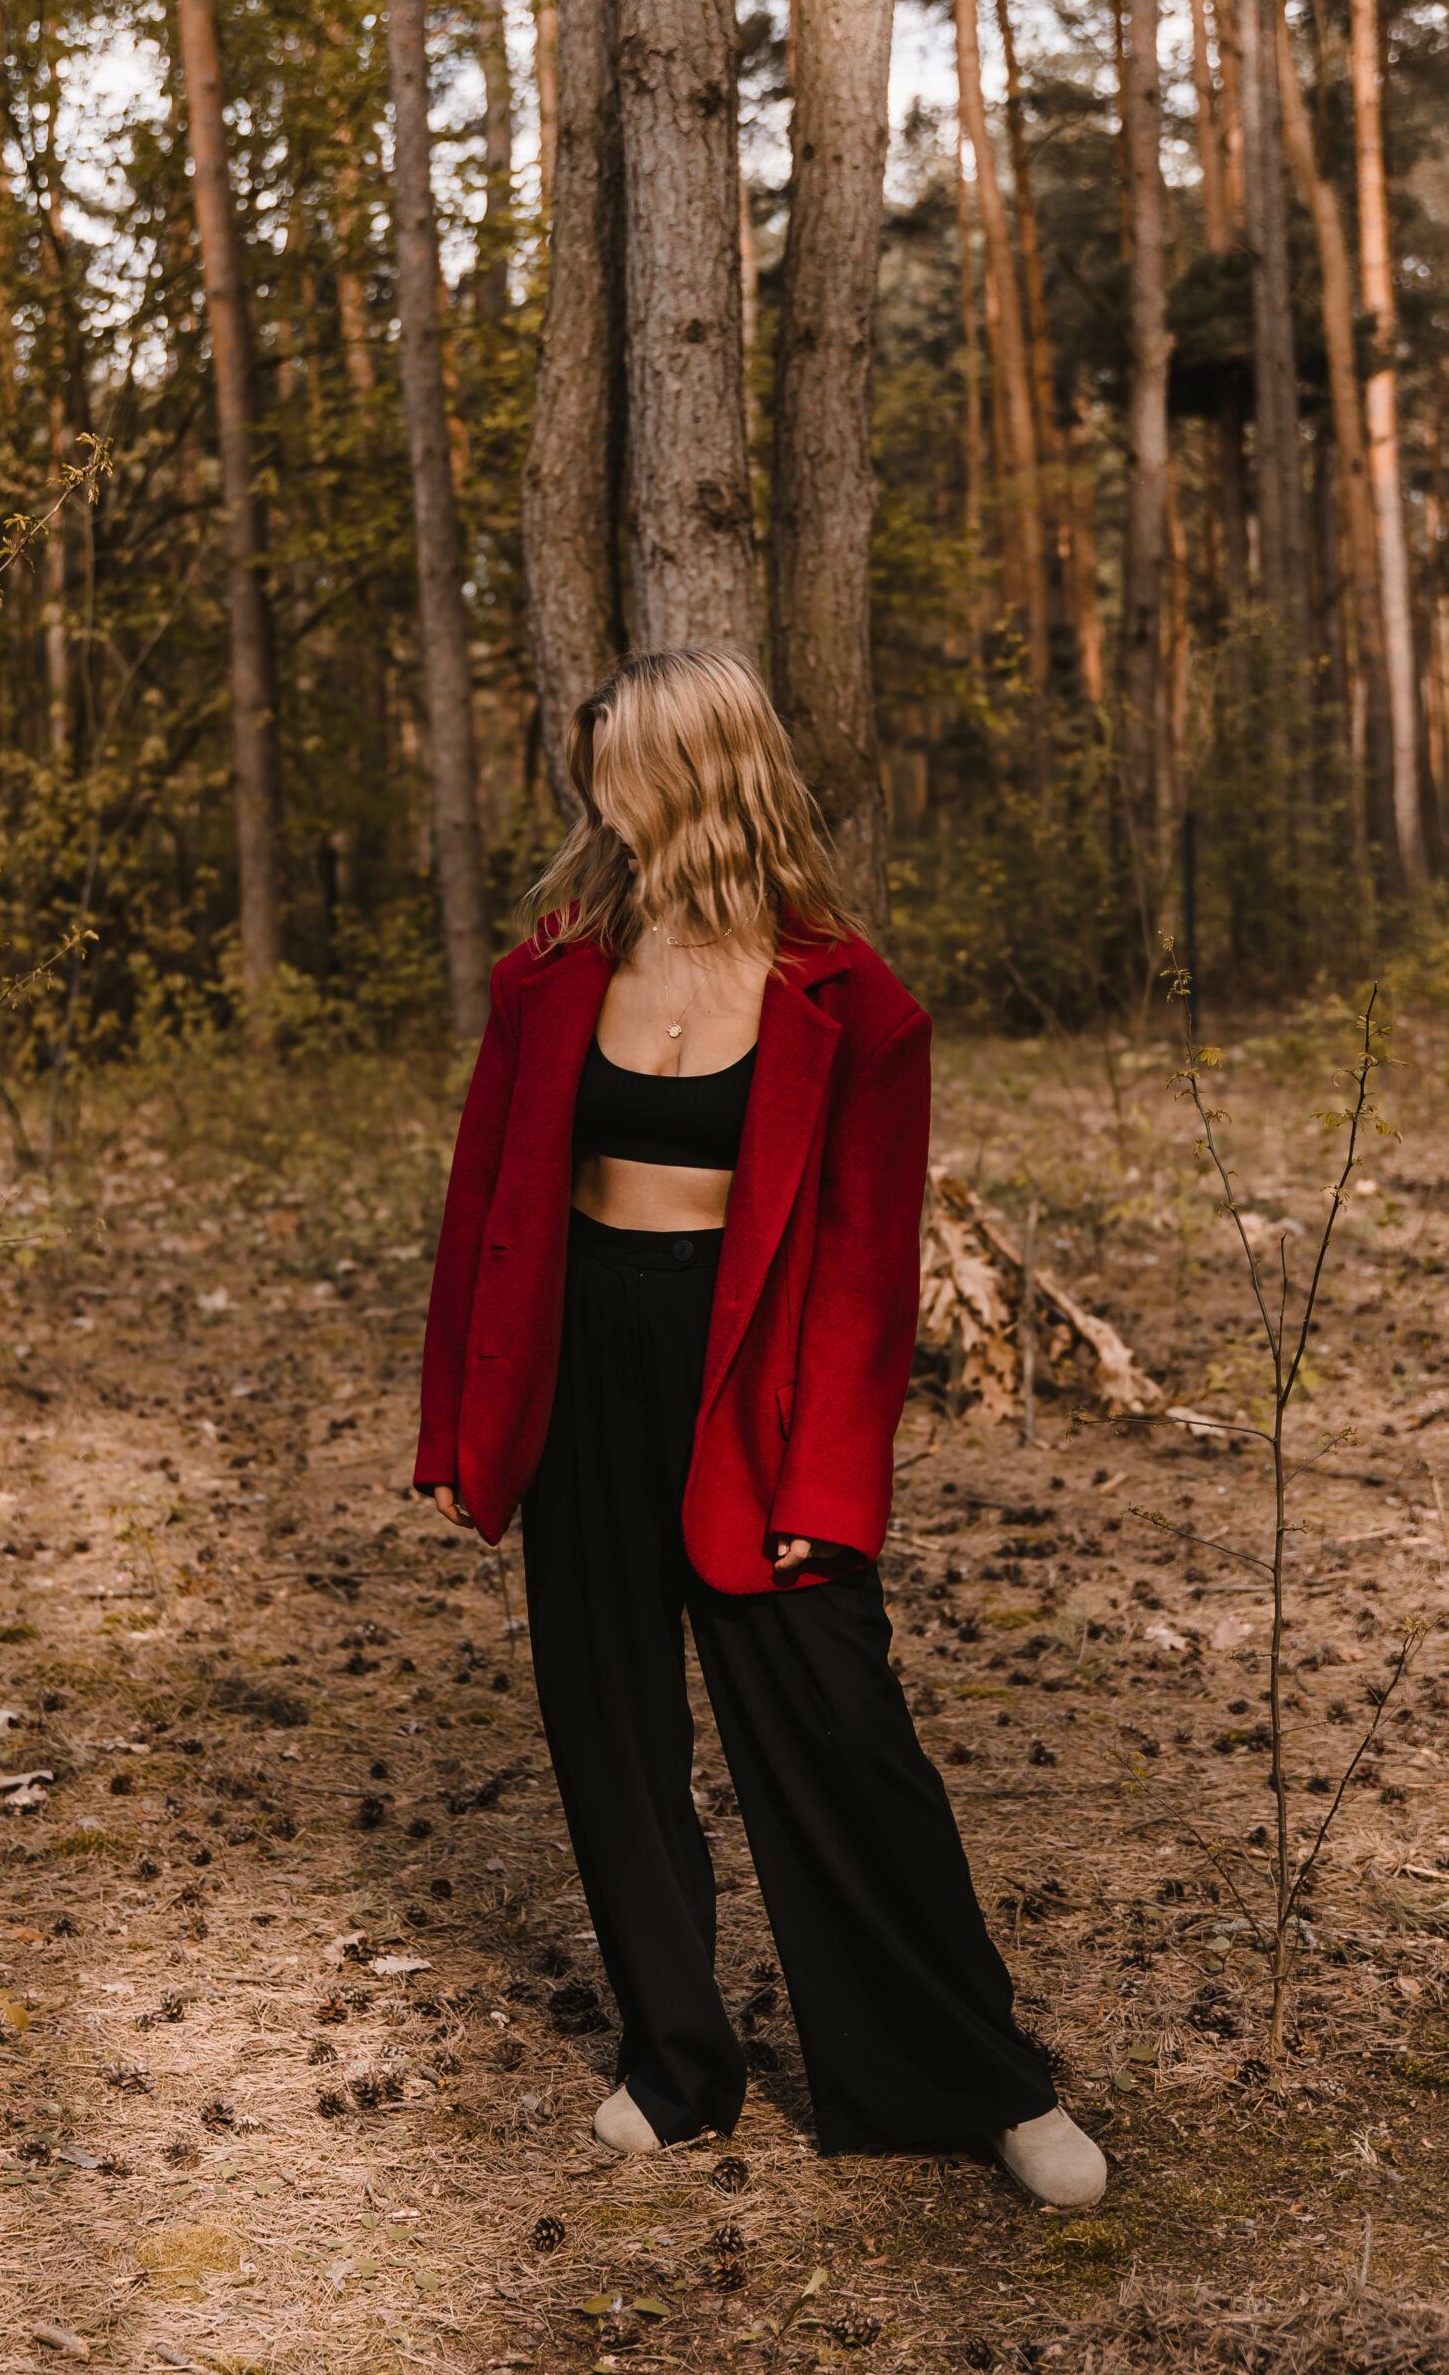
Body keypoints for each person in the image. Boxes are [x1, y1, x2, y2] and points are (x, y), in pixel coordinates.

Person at [415, 648, 1105, 2208]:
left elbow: (865, 1274)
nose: (598, 801)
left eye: (620, 772)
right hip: (582, 1366)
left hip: (755, 1386)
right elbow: (488, 1208)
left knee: (843, 1735)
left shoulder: (852, 1004)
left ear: (695, 775)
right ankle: (679, 2063)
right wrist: (461, 1421)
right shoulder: (551, 973)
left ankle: (981, 2080)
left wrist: (830, 1488)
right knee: (610, 1729)